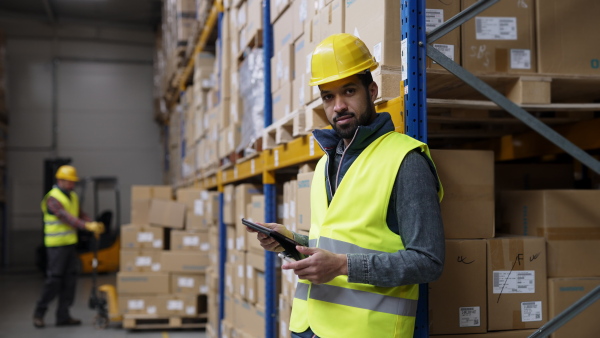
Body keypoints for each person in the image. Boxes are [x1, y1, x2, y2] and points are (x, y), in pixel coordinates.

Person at [247, 33, 445, 338]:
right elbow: (339, 242)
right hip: (309, 329)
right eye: (328, 96)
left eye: (349, 91)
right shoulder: (326, 163)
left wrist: (343, 266)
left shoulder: (405, 160)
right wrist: (293, 241)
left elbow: (428, 261)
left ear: (372, 90)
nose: (339, 105)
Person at [33, 165, 105, 328]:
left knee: (70, 281)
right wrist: (86, 226)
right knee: (54, 281)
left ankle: (63, 316)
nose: (72, 185)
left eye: (73, 182)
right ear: (60, 180)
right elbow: (66, 217)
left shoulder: (72, 196)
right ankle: (39, 313)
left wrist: (91, 222)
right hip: (56, 247)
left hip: (70, 245)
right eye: (69, 182)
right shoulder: (53, 198)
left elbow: (79, 214)